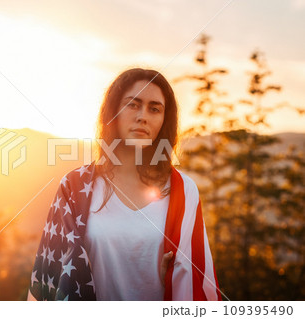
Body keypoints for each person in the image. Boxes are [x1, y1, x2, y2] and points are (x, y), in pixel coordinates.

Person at [27, 68, 221, 301]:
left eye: (154, 108)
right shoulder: (74, 187)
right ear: (113, 113)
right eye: (132, 104)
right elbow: (48, 281)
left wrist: (164, 278)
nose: (143, 116)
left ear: (163, 120)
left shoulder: (183, 191)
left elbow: (195, 285)